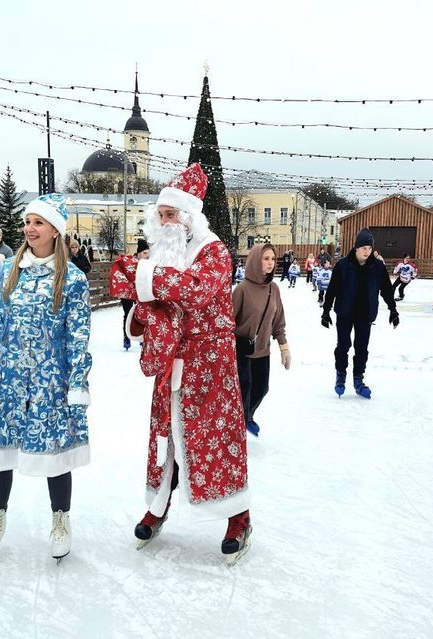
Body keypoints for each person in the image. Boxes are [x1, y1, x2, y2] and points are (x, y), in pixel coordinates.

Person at [108, 163, 252, 565]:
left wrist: (142, 275)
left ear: (189, 216)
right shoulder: (160, 257)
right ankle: (158, 504)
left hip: (210, 367)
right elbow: (151, 306)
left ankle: (239, 516)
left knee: (215, 440)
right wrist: (139, 315)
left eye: (170, 214)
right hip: (170, 366)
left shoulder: (215, 252)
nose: (164, 220)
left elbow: (196, 291)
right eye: (161, 214)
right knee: (165, 438)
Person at [0, 194, 92, 562]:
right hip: (8, 376)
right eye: (27, 222)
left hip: (51, 378)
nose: (29, 229)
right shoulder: (9, 270)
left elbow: (78, 335)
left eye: (38, 222)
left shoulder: (72, 279)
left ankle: (60, 519)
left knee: (55, 451)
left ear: (55, 230)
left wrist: (78, 382)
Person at [322, 228, 399, 398]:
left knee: (361, 348)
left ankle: (358, 379)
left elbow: (386, 289)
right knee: (343, 345)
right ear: (356, 247)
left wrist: (393, 309)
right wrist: (326, 311)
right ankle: (340, 376)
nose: (367, 251)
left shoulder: (377, 266)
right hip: (345, 312)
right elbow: (332, 289)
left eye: (370, 248)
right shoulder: (343, 265)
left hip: (365, 313)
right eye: (364, 248)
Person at [233, 243, 289, 437]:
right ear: (256, 260)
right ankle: (238, 427)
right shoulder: (242, 289)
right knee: (244, 390)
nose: (270, 263)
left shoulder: (274, 289)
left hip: (263, 350)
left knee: (262, 388)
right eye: (266, 258)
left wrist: (284, 346)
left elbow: (278, 320)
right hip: (242, 350)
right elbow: (228, 322)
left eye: (273, 259)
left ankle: (245, 416)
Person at [120, 239, 150, 351]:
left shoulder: (148, 264)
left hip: (140, 292)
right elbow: (121, 274)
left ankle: (142, 337)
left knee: (142, 313)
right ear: (139, 253)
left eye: (148, 253)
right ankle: (126, 337)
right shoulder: (129, 263)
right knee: (127, 314)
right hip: (128, 293)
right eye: (144, 253)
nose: (147, 256)